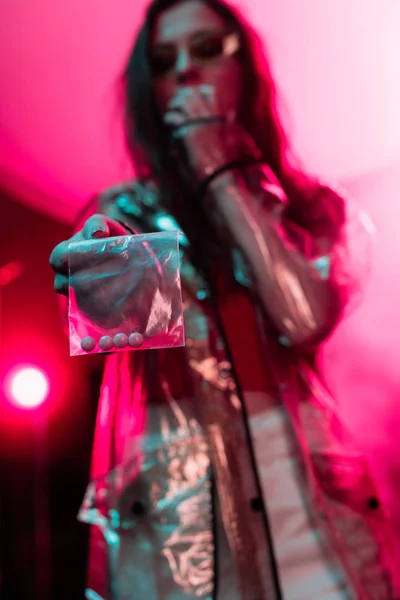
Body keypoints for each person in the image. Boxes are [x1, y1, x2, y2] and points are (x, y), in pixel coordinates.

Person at [50, 0, 400, 598]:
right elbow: (109, 313)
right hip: (180, 506)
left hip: (307, 492)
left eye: (208, 48)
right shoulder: (124, 211)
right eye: (165, 61)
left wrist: (220, 169)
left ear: (246, 69)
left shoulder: (311, 207)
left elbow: (304, 316)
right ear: (149, 89)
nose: (186, 70)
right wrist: (96, 276)